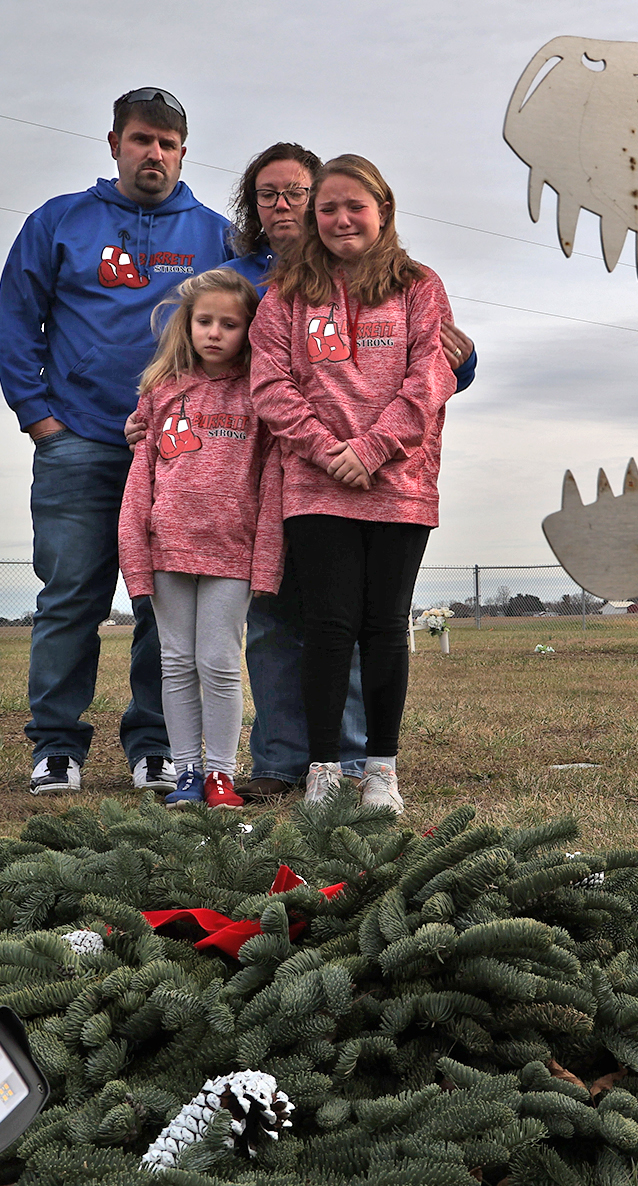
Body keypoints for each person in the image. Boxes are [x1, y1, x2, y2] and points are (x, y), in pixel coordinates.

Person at [0, 87, 233, 795]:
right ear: (114, 143)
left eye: (166, 142)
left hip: (181, 455)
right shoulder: (60, 222)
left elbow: (270, 316)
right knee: (71, 594)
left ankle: (157, 744)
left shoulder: (216, 235)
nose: (153, 153)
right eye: (140, 139)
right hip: (80, 444)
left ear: (184, 152)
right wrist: (40, 418)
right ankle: (56, 747)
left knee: (167, 601)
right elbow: (16, 320)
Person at [219, 143, 476, 801]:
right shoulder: (285, 296)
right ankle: (326, 771)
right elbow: (270, 385)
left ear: (382, 210)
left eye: (353, 206)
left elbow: (431, 375)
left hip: (400, 484)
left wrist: (373, 449)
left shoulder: (420, 286)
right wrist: (327, 448)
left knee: (384, 626)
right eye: (327, 207)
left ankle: (381, 769)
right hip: (316, 484)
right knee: (329, 627)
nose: (339, 218)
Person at [117, 268, 276, 810]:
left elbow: (271, 485)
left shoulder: (262, 397)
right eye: (204, 321)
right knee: (176, 662)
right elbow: (141, 481)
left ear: (249, 330)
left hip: (233, 553)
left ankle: (221, 777)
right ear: (187, 325)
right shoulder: (160, 393)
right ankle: (186, 774)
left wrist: (267, 562)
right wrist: (135, 558)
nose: (214, 333)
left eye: (228, 324)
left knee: (220, 662)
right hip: (168, 552)